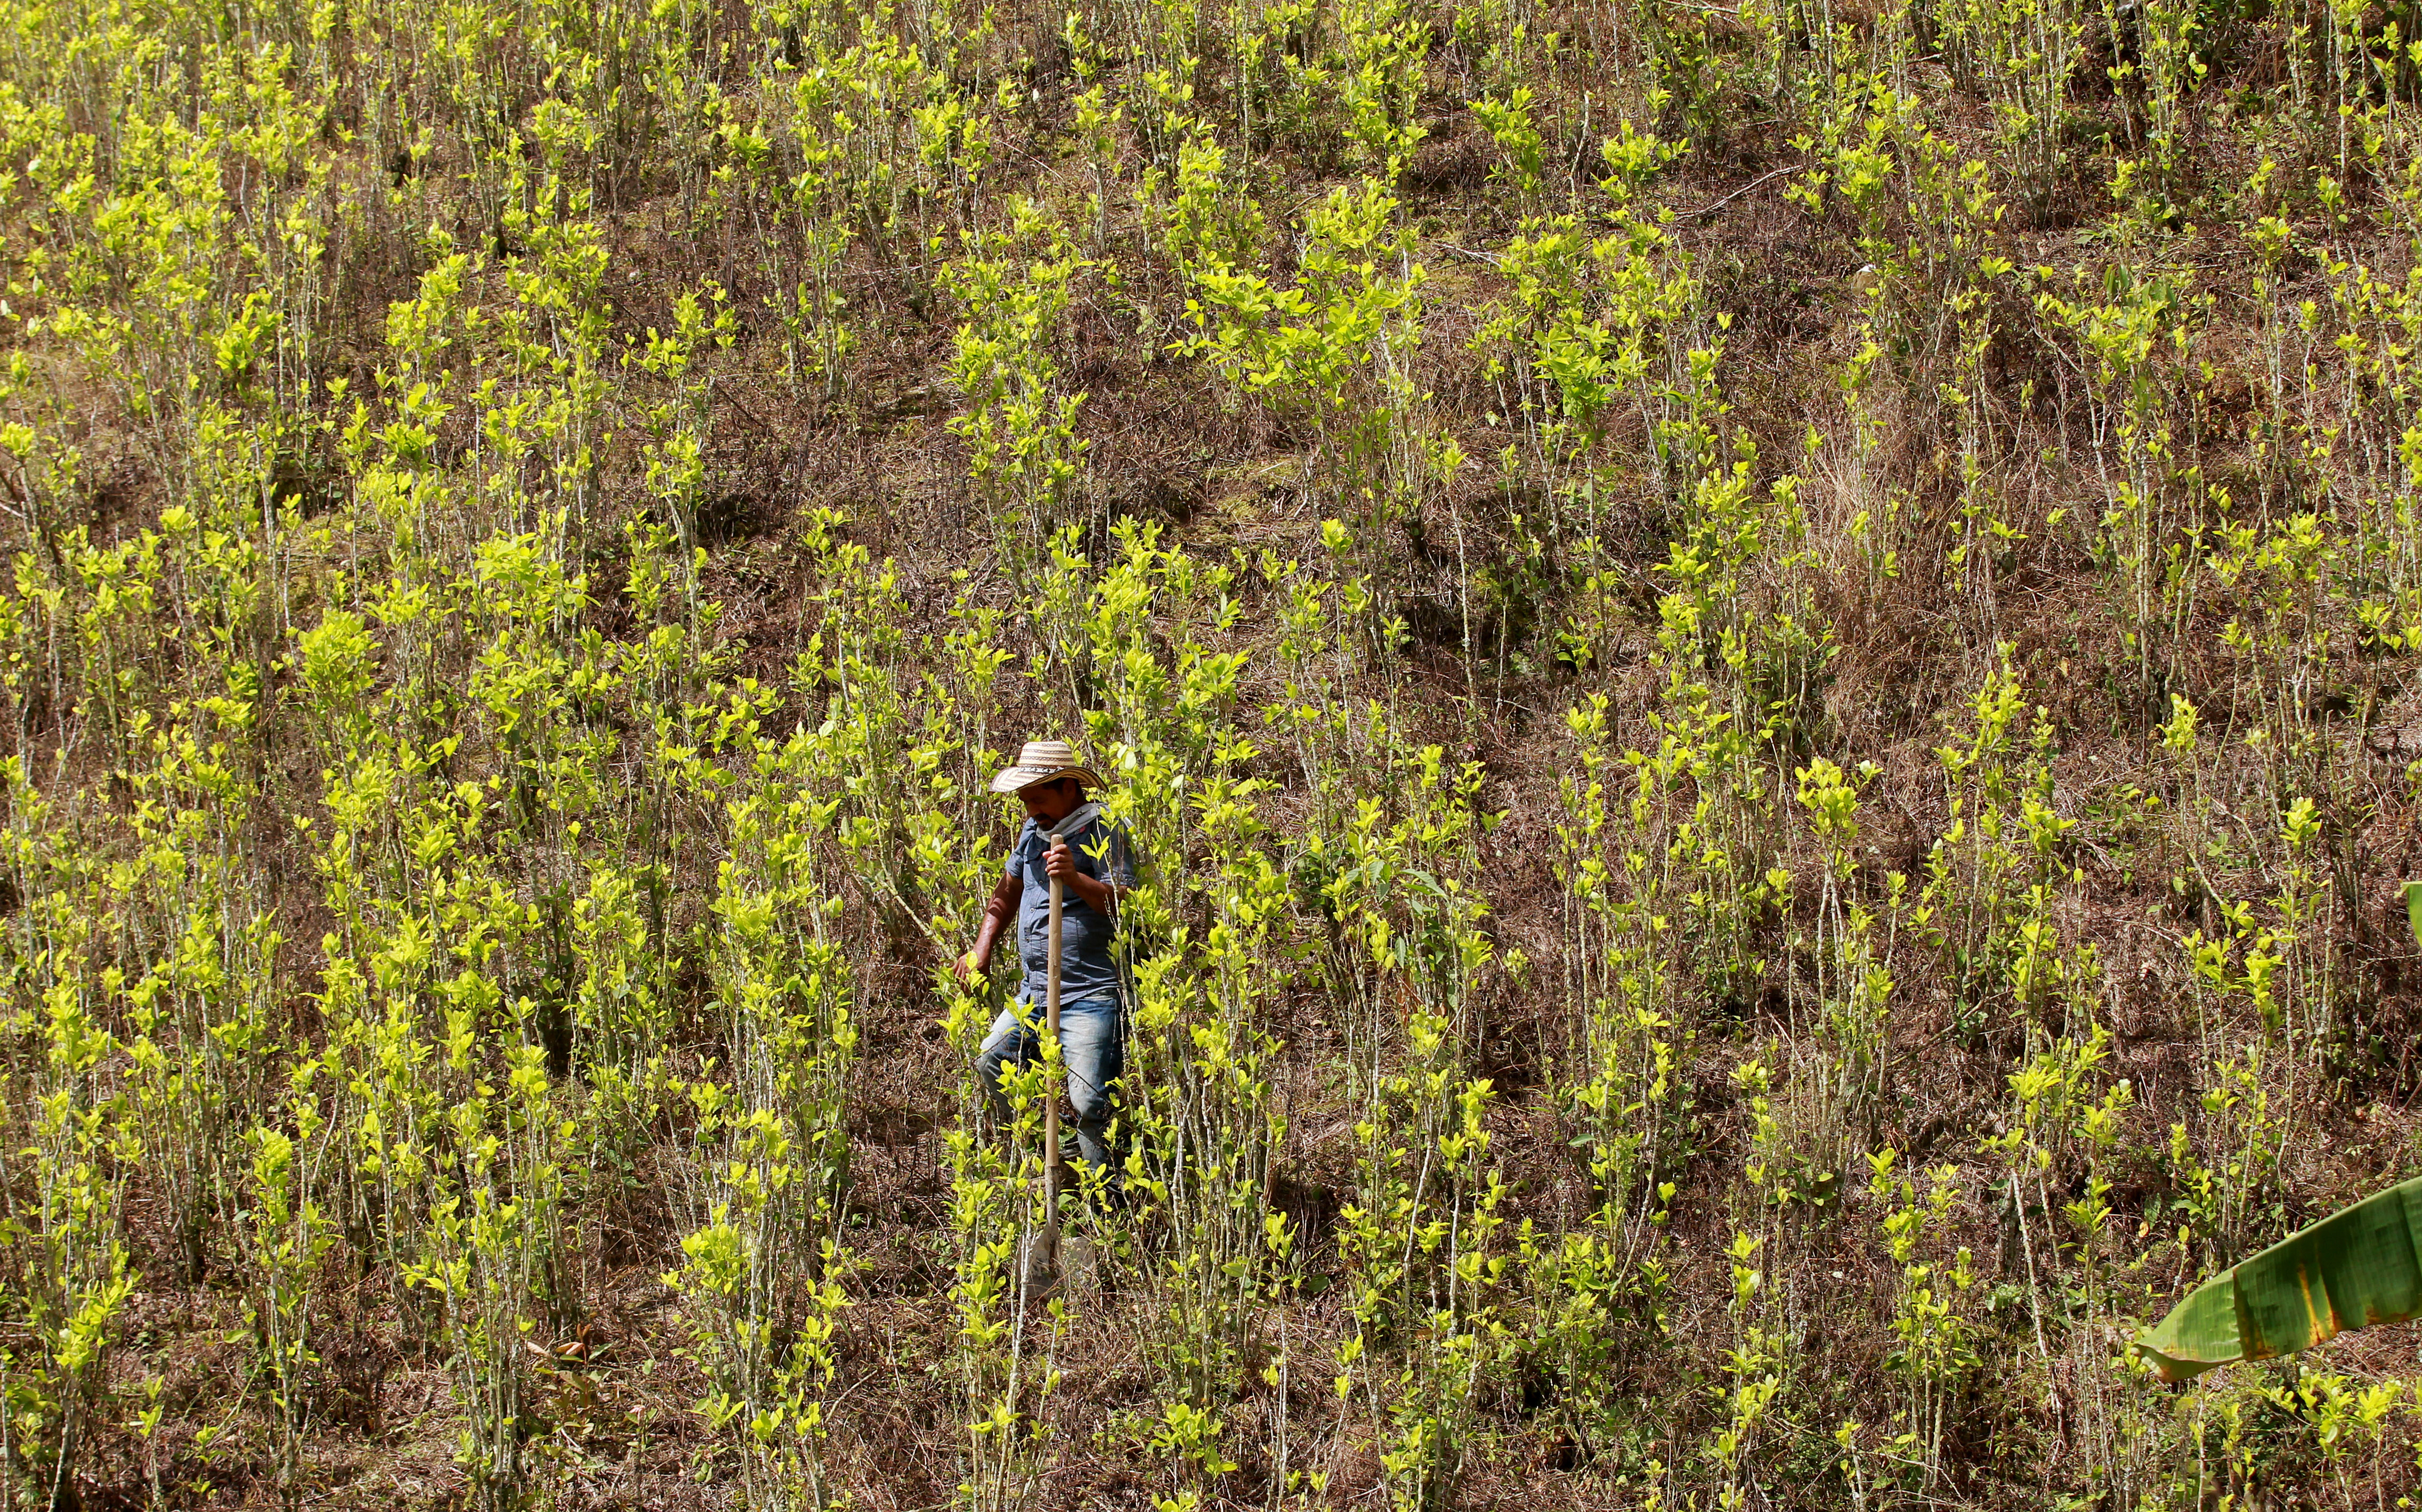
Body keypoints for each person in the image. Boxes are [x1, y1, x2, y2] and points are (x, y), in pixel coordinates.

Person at [956, 739, 1136, 1177]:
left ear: (1068, 787)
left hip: (1091, 993)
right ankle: (1060, 1167)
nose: (1030, 808)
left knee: (1091, 1099)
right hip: (1035, 992)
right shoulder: (1033, 832)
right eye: (1025, 800)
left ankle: (1105, 1208)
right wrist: (983, 947)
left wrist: (1074, 877)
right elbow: (1008, 890)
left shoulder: (1106, 827)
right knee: (993, 1061)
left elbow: (1124, 905)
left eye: (1038, 797)